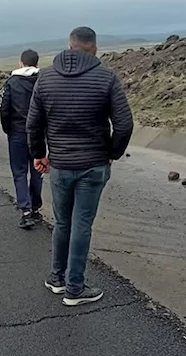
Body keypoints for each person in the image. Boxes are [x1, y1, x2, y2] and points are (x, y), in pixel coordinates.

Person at [27, 27, 134, 306]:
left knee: (63, 222)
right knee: (82, 224)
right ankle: (75, 288)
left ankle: (57, 278)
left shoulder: (46, 78)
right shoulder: (107, 78)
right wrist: (112, 153)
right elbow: (124, 124)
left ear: (69, 46)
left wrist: (39, 154)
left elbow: (33, 123)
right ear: (94, 49)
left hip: (60, 164)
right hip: (93, 165)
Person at [1, 49, 43, 229]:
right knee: (37, 171)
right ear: (37, 63)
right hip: (38, 134)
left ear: (21, 63)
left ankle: (25, 211)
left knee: (19, 172)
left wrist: (8, 130)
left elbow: (5, 109)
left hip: (17, 133)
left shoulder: (11, 83)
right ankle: (35, 207)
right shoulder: (42, 81)